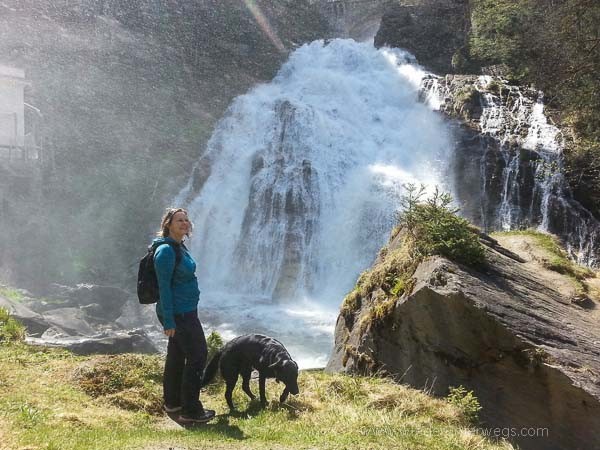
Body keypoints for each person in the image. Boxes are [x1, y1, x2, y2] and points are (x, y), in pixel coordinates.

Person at [152, 207, 215, 423]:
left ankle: (173, 402)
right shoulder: (166, 252)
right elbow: (163, 289)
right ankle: (191, 410)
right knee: (198, 356)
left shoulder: (179, 247)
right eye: (179, 220)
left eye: (186, 219)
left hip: (185, 310)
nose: (184, 223)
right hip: (179, 314)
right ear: (168, 224)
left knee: (177, 356)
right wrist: (168, 320)